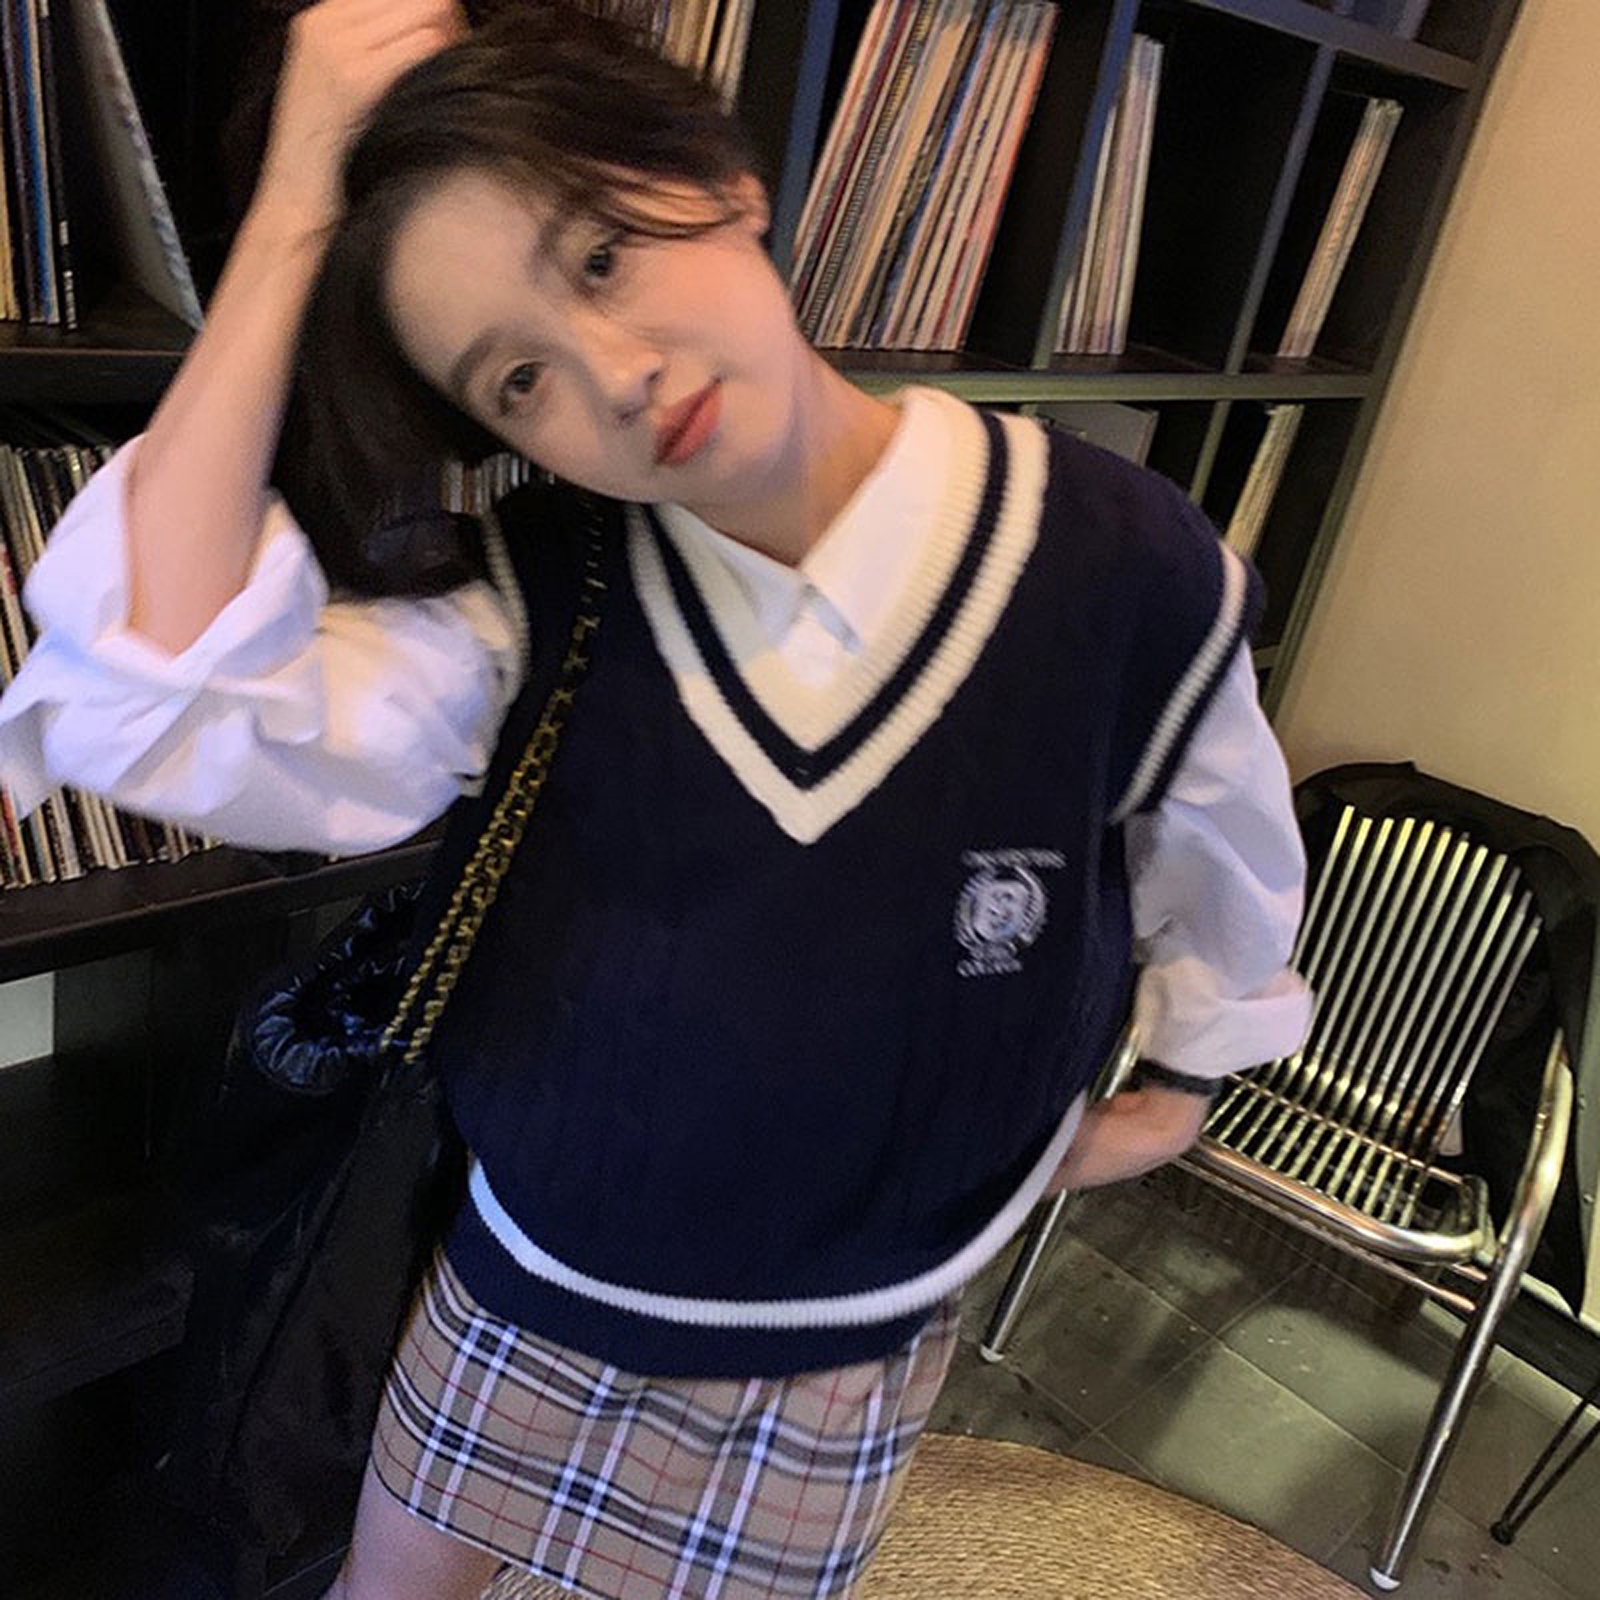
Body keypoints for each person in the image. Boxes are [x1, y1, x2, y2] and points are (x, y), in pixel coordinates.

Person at [0, 2, 1313, 1595]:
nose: (614, 376)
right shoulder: (528, 603)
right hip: (541, 1270)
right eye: (518, 379)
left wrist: (1188, 1068)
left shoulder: (1116, 559)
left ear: (722, 176)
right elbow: (158, 682)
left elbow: (1212, 818)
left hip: (846, 1312)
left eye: (604, 255)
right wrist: (293, 213)